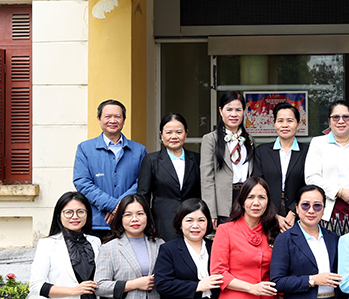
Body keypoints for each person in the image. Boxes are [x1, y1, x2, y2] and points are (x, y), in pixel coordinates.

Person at [73, 99, 146, 232]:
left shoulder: (139, 150)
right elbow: (82, 182)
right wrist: (112, 205)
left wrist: (121, 207)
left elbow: (142, 182)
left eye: (117, 116)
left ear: (124, 120)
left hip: (129, 222)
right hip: (96, 222)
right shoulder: (85, 148)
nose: (112, 121)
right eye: (107, 116)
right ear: (99, 119)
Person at [304, 100, 349, 236]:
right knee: (332, 246)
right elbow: (311, 177)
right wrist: (339, 192)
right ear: (329, 122)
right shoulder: (318, 143)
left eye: (346, 117)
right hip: (332, 207)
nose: (341, 121)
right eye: (335, 117)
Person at [137, 113, 201, 241]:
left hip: (192, 221)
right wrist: (146, 223)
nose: (174, 136)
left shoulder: (197, 159)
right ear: (161, 135)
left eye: (179, 132)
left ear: (186, 134)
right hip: (162, 223)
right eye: (169, 132)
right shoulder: (151, 160)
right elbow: (143, 195)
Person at [201, 91, 255, 226]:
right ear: (221, 111)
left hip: (246, 199)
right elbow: (207, 179)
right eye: (229, 109)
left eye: (238, 110)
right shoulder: (210, 139)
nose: (234, 114)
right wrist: (211, 212)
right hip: (223, 203)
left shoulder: (250, 140)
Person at [252, 102, 308, 232]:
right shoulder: (262, 151)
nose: (285, 125)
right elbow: (257, 183)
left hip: (299, 212)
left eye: (290, 121)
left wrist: (293, 212)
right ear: (274, 124)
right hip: (267, 212)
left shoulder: (307, 152)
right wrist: (273, 215)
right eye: (280, 121)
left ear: (298, 124)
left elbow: (308, 184)